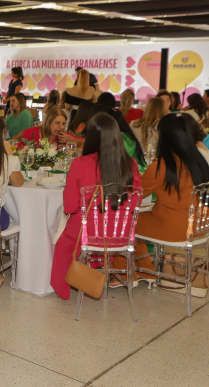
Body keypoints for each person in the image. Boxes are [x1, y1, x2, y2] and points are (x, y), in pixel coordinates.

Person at [50, 113, 142, 299]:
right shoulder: (130, 164)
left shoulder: (80, 164)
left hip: (87, 232)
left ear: (90, 137)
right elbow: (135, 201)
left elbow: (69, 207)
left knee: (62, 239)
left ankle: (64, 289)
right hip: (119, 233)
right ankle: (96, 266)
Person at [121, 113, 209, 280]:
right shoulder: (198, 159)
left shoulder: (162, 166)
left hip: (175, 228)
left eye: (158, 131)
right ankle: (143, 270)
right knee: (138, 219)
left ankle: (128, 274)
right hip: (200, 226)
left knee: (122, 221)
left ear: (165, 136)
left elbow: (133, 193)